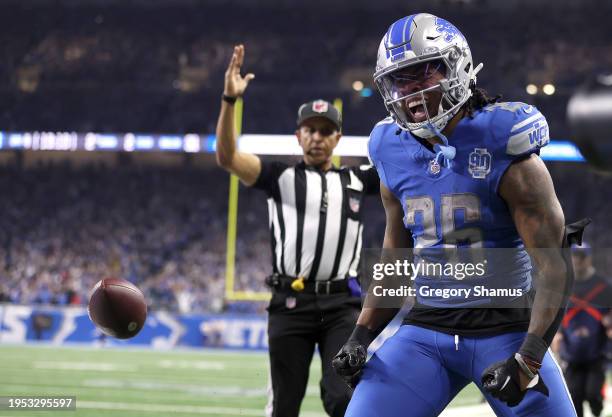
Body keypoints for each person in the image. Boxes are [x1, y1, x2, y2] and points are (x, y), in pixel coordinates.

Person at [332, 13, 589, 417]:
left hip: (505, 329)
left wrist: (529, 359)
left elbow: (554, 266)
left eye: (421, 74)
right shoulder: (390, 147)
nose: (409, 92)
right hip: (425, 331)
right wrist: (360, 336)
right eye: (400, 80)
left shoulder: (504, 141)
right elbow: (396, 262)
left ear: (457, 69)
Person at [215, 44, 379, 417]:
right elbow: (227, 157)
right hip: (290, 304)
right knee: (284, 406)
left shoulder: (356, 180)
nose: (318, 137)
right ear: (298, 136)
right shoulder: (279, 177)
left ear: (337, 139)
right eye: (310, 130)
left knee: (343, 399)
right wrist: (229, 99)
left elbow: (406, 171)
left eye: (326, 131)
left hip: (342, 306)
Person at [554, 243, 612, 417]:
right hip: (570, 353)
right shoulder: (562, 287)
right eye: (574, 257)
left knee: (593, 395)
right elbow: (555, 317)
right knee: (574, 397)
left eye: (581, 257)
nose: (577, 261)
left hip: (597, 352)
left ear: (588, 258)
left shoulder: (604, 286)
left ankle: (597, 410)